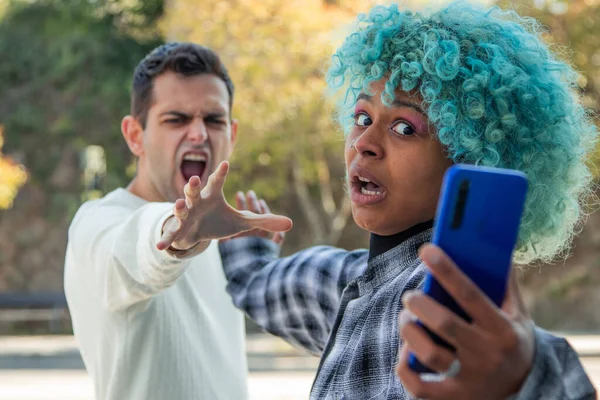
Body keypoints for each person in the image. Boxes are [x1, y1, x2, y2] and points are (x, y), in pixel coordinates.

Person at [212, 3, 598, 399]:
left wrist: (524, 380)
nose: (363, 142)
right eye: (362, 118)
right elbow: (264, 283)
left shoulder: (443, 302)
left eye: (403, 127)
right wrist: (237, 237)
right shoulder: (352, 285)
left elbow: (537, 366)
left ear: (470, 159)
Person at [63, 42, 291, 400]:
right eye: (177, 119)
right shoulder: (96, 222)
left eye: (213, 119)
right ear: (135, 136)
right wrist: (179, 235)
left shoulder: (220, 237)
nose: (199, 133)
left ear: (231, 136)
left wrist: (253, 267)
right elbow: (132, 252)